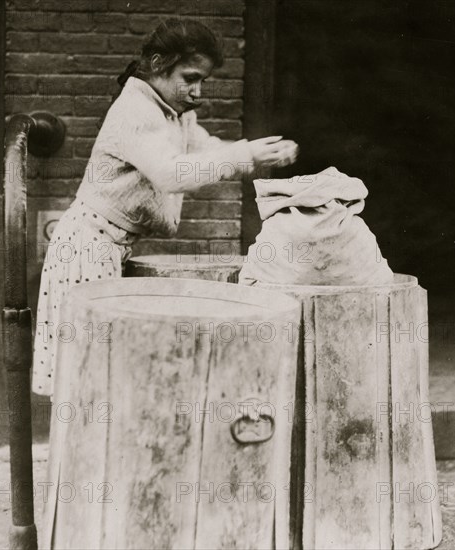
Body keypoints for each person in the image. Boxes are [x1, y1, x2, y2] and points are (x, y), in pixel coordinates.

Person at [32, 18, 298, 397]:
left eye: (202, 81)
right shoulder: (134, 109)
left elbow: (206, 149)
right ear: (158, 64)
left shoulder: (173, 112)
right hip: (85, 248)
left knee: (101, 369)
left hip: (109, 248)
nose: (197, 91)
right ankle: (77, 457)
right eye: (190, 78)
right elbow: (171, 173)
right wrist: (244, 155)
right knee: (87, 372)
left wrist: (257, 153)